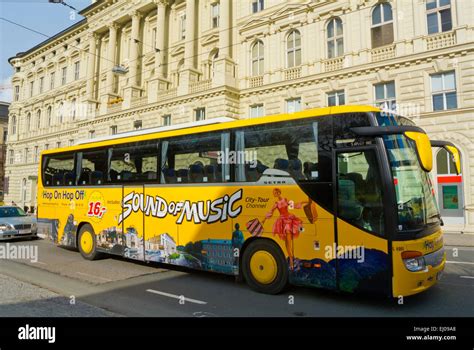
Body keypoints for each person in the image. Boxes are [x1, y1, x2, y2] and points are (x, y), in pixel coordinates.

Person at [264, 188, 310, 270]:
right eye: (274, 193)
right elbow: (270, 212)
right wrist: (264, 220)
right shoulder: (276, 203)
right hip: (283, 222)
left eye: (275, 193)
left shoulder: (285, 200)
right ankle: (291, 259)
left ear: (279, 192)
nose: (275, 194)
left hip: (289, 219)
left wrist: (304, 201)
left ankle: (291, 260)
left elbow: (293, 205)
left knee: (289, 241)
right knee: (287, 242)